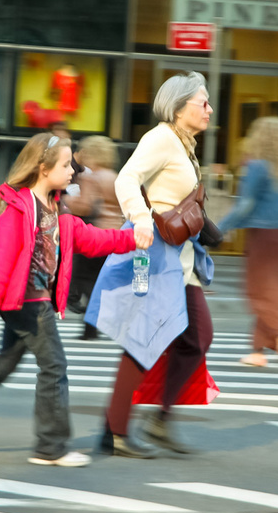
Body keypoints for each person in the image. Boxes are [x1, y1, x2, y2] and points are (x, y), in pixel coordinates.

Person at [0, 133, 139, 467]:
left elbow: (91, 239)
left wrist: (132, 238)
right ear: (42, 167)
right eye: (65, 165)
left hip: (34, 299)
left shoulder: (57, 209)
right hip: (27, 301)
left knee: (4, 361)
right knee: (54, 366)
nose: (71, 171)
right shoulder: (18, 208)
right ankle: (51, 447)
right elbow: (0, 260)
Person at [85, 71, 215, 459]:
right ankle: (117, 431)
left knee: (196, 337)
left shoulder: (182, 143)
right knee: (144, 337)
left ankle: (154, 421)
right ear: (178, 107)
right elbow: (127, 178)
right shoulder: (161, 138)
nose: (209, 109)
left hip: (180, 260)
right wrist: (142, 220)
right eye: (202, 102)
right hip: (154, 254)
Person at [218, 117, 278, 368]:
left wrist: (220, 228)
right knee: (273, 292)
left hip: (263, 237)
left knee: (256, 292)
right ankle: (258, 351)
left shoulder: (257, 166)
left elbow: (245, 204)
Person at [61, 136, 123, 340]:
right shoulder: (114, 176)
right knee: (97, 281)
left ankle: (90, 326)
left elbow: (85, 205)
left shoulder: (91, 177)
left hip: (95, 235)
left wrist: (66, 198)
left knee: (82, 279)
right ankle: (91, 327)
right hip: (115, 235)